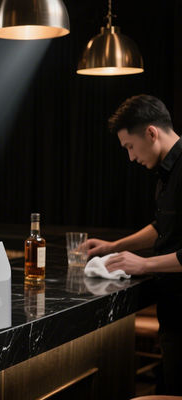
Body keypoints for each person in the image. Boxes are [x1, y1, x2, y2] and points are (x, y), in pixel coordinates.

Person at [86, 94, 182, 396]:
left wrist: (145, 264)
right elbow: (162, 227)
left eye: (130, 146)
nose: (130, 157)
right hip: (172, 311)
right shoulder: (167, 173)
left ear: (151, 133)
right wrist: (111, 246)